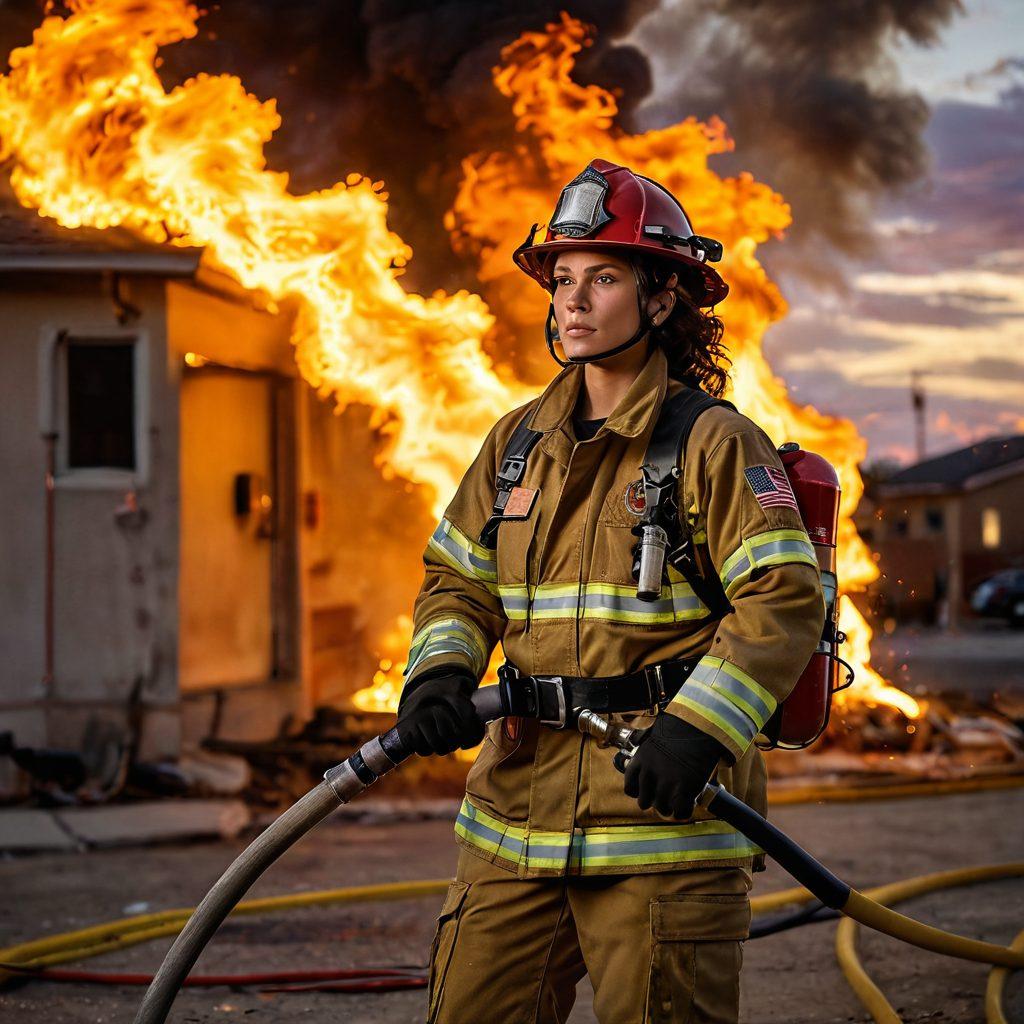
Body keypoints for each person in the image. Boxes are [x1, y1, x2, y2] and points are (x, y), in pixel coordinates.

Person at [395, 158, 824, 1024]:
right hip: (514, 821)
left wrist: (699, 729)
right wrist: (438, 672)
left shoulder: (713, 444)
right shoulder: (515, 443)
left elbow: (782, 596)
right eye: (562, 280)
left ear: (662, 298)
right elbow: (458, 580)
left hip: (660, 821)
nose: (574, 302)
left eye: (603, 278)